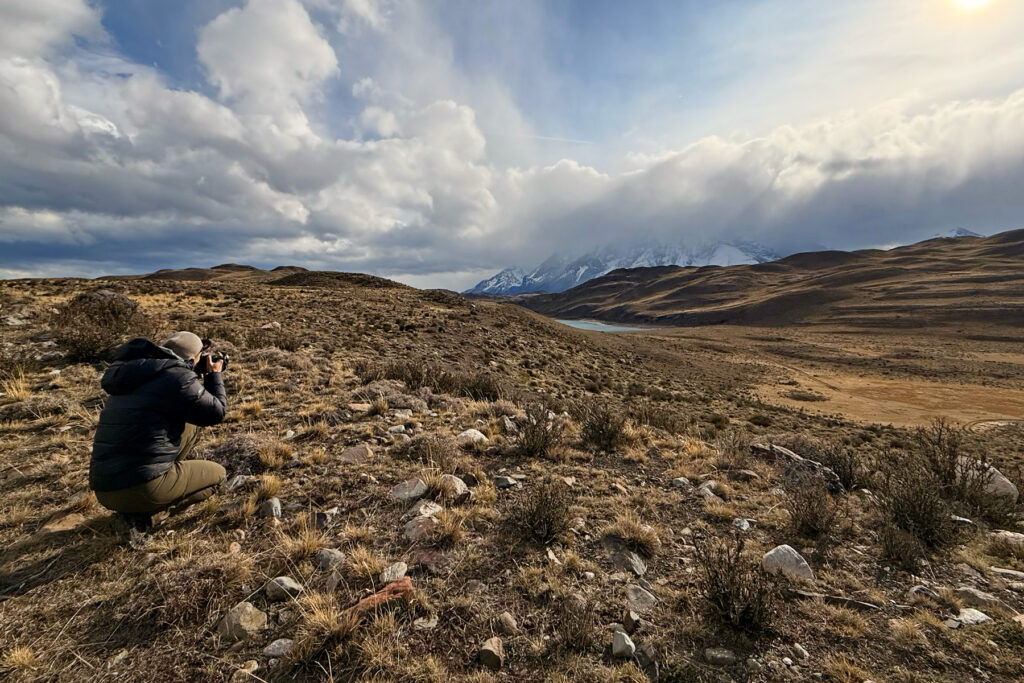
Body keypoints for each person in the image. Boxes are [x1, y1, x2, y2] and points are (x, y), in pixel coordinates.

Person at [90, 331, 228, 536]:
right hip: (142, 488)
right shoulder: (177, 378)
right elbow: (216, 412)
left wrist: (194, 375)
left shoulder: (136, 372)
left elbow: (184, 404)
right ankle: (148, 515)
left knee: (190, 424)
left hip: (104, 489)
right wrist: (214, 375)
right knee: (218, 476)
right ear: (194, 357)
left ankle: (155, 488)